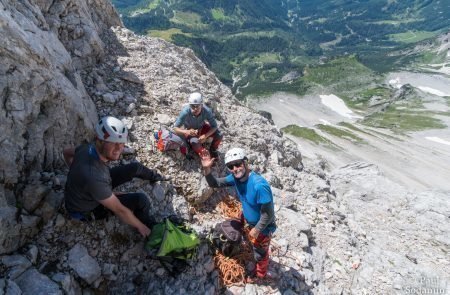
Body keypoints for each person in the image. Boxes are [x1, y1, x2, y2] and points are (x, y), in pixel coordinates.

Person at [63, 116, 167, 237]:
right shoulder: (94, 177)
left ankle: (156, 177)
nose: (119, 149)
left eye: (122, 143)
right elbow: (119, 210)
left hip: (94, 186)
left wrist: (76, 175)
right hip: (86, 210)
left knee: (135, 167)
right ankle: (150, 228)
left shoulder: (86, 148)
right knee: (141, 200)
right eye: (113, 143)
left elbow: (66, 153)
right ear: (100, 140)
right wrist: (141, 227)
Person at [201, 147, 276, 283]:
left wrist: (257, 229)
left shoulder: (259, 186)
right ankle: (250, 244)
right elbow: (214, 183)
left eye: (238, 164)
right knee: (247, 237)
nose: (235, 168)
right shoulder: (235, 178)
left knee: (260, 253)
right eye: (231, 166)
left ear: (245, 162)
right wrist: (207, 169)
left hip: (263, 227)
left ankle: (260, 275)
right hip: (248, 218)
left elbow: (268, 214)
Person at [173, 92, 222, 158]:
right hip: (190, 131)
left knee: (219, 134)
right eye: (193, 106)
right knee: (195, 143)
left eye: (197, 106)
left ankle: (213, 149)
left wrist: (205, 135)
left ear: (201, 105)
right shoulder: (185, 112)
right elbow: (175, 128)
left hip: (202, 128)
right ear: (189, 105)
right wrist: (187, 131)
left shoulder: (207, 111)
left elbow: (214, 126)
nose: (195, 109)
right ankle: (203, 153)